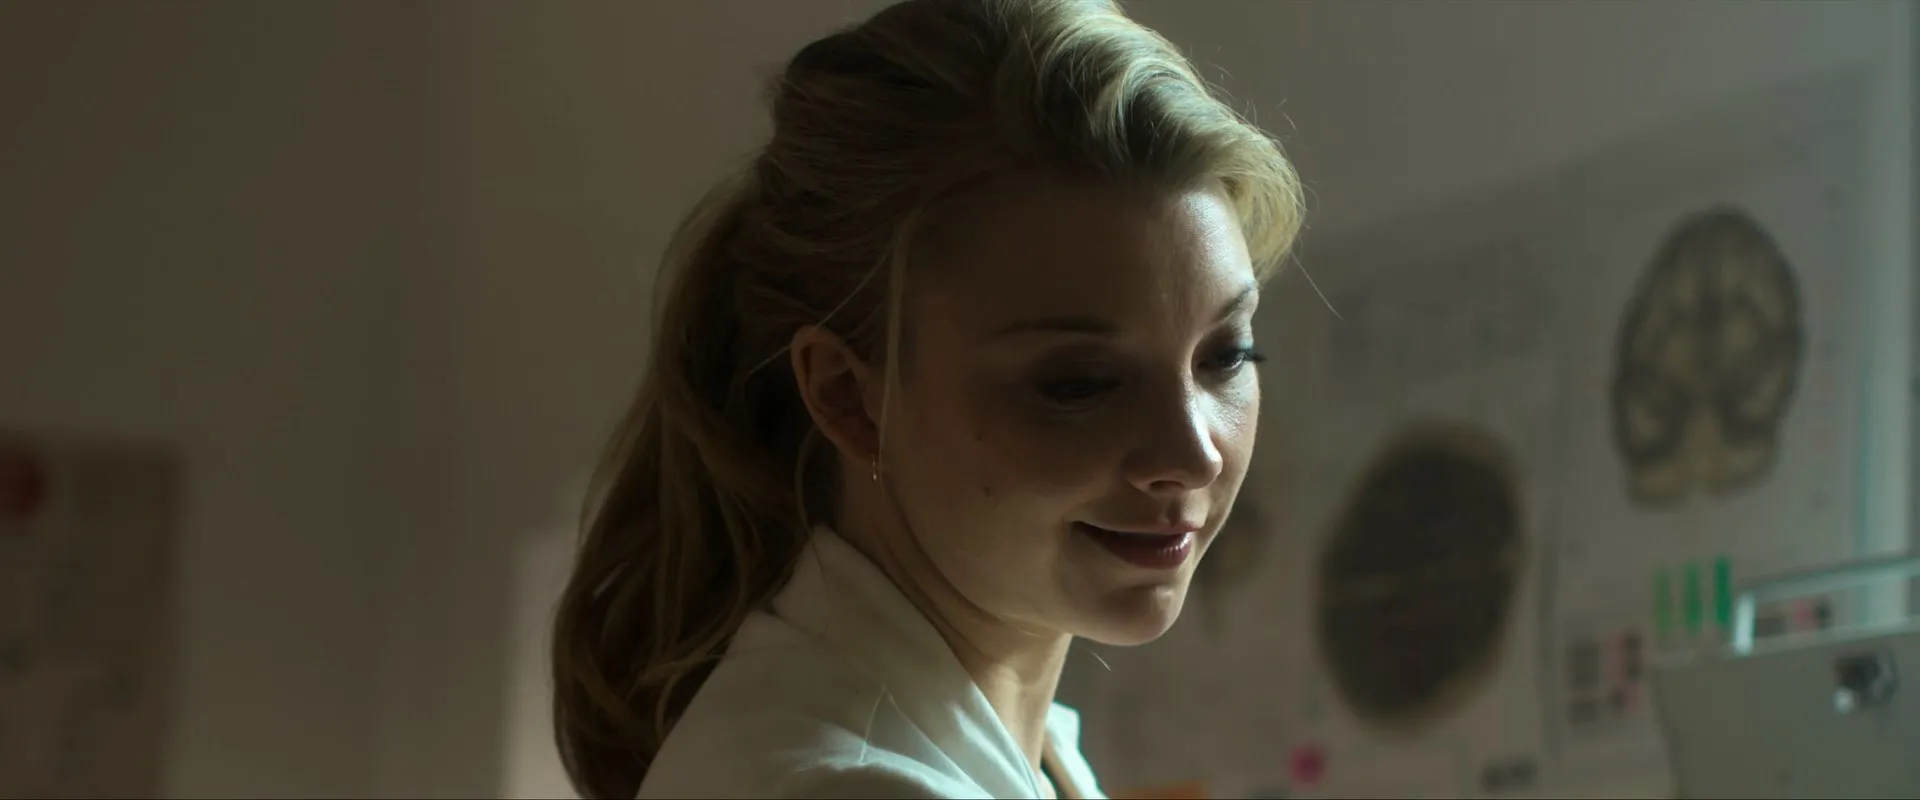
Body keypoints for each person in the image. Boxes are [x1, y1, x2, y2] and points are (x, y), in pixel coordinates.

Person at [550, 0, 1304, 797]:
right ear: (849, 397)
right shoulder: (846, 784)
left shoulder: (1015, 752)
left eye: (1226, 355)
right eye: (1078, 384)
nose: (1193, 454)